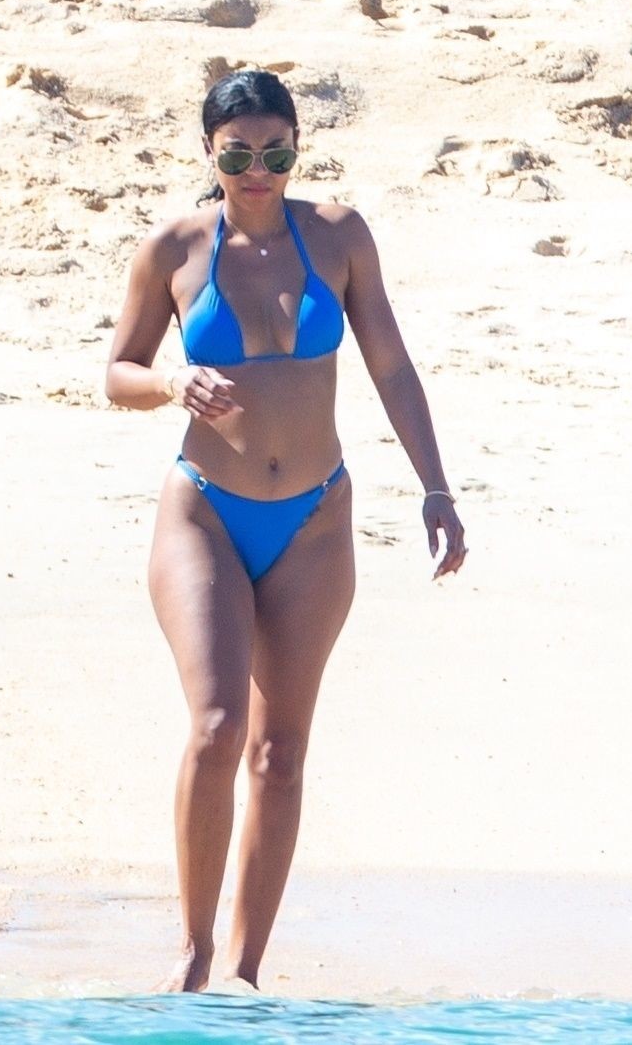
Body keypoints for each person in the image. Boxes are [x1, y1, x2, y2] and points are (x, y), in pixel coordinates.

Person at [105, 69, 466, 993]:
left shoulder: (338, 236)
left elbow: (391, 364)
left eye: (275, 153)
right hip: (205, 512)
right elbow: (118, 373)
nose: (257, 171)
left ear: (297, 147)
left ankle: (245, 975)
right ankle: (192, 956)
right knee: (218, 725)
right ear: (209, 153)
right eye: (237, 156)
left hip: (314, 520)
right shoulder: (174, 249)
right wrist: (171, 382)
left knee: (280, 752)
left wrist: (436, 487)